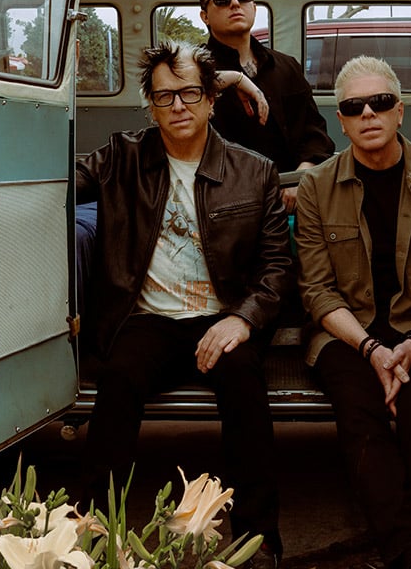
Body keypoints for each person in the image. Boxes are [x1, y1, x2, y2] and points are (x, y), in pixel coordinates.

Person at [76, 40, 293, 569]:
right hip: (146, 319)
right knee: (118, 382)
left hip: (222, 317)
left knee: (245, 386)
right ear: (150, 106)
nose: (178, 106)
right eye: (164, 96)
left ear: (211, 100)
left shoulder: (254, 171)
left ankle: (258, 540)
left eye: (190, 93)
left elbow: (276, 266)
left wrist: (243, 319)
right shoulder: (121, 157)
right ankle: (93, 535)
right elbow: (55, 179)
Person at [296, 56, 411, 569]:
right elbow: (317, 290)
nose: (368, 114)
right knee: (360, 414)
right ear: (341, 120)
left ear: (400, 111)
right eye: (354, 107)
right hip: (346, 335)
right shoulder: (316, 187)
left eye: (380, 102)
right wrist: (372, 349)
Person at [198, 0, 335, 212]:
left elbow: (315, 134)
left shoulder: (286, 66)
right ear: (204, 15)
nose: (235, 3)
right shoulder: (194, 72)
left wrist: (300, 176)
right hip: (225, 205)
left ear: (253, 5)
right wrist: (233, 79)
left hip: (290, 202)